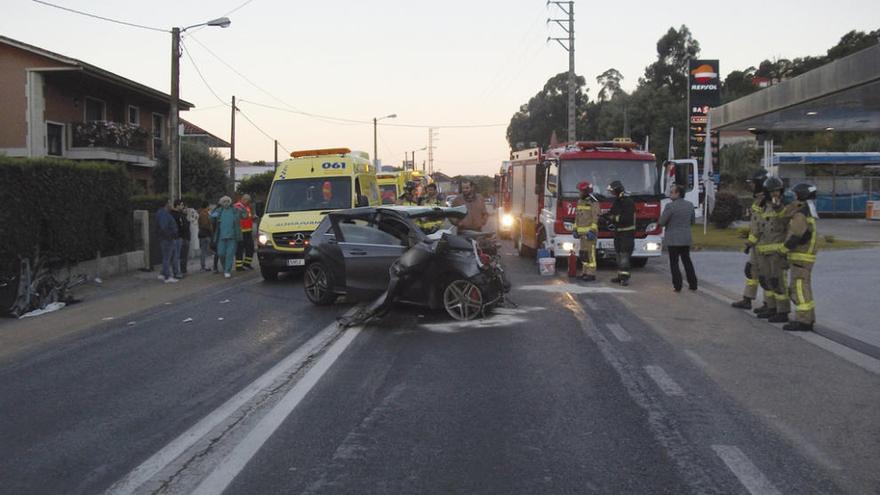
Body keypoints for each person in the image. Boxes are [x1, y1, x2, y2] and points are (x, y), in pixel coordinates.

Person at [781, 183, 819, 331]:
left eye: (796, 195)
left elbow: (796, 235)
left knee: (799, 289)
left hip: (800, 257)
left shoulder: (801, 214)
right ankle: (808, 318)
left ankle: (803, 321)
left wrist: (782, 250)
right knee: (804, 287)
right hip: (806, 257)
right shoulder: (808, 211)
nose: (793, 197)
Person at [755, 177, 791, 322]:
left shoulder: (784, 206)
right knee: (766, 281)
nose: (774, 193)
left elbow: (787, 223)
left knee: (778, 282)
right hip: (763, 251)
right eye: (771, 191)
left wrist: (779, 208)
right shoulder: (765, 207)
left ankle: (783, 311)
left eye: (777, 191)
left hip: (777, 252)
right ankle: (771, 307)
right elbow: (759, 228)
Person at [732, 169, 768, 309]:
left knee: (766, 276)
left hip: (764, 244)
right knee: (751, 271)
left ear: (760, 183)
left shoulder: (765, 201)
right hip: (756, 245)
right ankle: (747, 299)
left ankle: (768, 304)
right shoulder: (758, 199)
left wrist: (750, 242)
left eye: (753, 183)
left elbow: (762, 226)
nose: (750, 186)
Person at [658, 184, 697, 292]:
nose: (670, 194)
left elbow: (661, 222)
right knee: (687, 260)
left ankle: (678, 285)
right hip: (685, 238)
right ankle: (693, 283)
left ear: (678, 193)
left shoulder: (670, 206)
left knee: (674, 262)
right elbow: (692, 221)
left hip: (673, 239)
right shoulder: (690, 205)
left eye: (672, 192)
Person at [604, 180, 635, 286]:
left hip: (627, 234)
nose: (611, 193)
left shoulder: (628, 202)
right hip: (618, 234)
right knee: (618, 256)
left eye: (612, 191)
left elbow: (626, 218)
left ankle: (625, 278)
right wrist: (605, 216)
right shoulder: (618, 201)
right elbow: (613, 212)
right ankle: (620, 276)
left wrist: (612, 218)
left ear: (617, 190)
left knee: (624, 256)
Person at [572, 180, 598, 282]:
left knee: (590, 255)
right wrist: (575, 229)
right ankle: (585, 272)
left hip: (589, 234)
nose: (579, 193)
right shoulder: (580, 201)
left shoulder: (593, 202)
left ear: (586, 191)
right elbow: (577, 218)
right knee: (583, 254)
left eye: (581, 191)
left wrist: (592, 231)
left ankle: (591, 274)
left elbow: (595, 219)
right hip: (581, 234)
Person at [211, 196, 243, 279]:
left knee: (229, 254)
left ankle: (227, 270)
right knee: (221, 253)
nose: (226, 203)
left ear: (230, 202)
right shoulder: (219, 211)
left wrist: (242, 207)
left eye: (227, 201)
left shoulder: (234, 210)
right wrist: (216, 207)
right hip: (221, 237)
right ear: (221, 203)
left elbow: (245, 215)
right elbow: (211, 217)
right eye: (224, 201)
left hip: (232, 237)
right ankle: (225, 268)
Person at [154, 199, 181, 283]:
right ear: (166, 204)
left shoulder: (163, 213)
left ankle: (163, 274)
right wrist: (170, 235)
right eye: (169, 203)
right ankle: (167, 277)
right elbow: (163, 227)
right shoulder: (163, 214)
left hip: (167, 238)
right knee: (167, 258)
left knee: (170, 256)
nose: (171, 205)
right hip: (167, 239)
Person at [234, 194, 255, 271]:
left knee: (250, 248)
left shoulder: (246, 207)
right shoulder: (237, 206)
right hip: (241, 231)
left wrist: (252, 217)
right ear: (244, 199)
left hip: (248, 230)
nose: (248, 203)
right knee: (240, 248)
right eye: (248, 201)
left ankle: (247, 263)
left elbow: (247, 217)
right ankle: (239, 266)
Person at [172, 199, 191, 276]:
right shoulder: (176, 215)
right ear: (177, 205)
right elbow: (183, 226)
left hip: (183, 236)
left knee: (182, 255)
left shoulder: (181, 214)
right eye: (182, 205)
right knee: (177, 256)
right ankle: (177, 272)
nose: (183, 207)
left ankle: (182, 271)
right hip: (179, 237)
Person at [197, 201, 214, 272]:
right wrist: (210, 229)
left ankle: (204, 266)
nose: (210, 207)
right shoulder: (203, 214)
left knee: (205, 251)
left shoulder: (205, 213)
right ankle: (203, 267)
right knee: (204, 251)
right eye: (209, 206)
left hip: (204, 234)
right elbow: (204, 225)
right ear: (206, 206)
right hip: (205, 235)